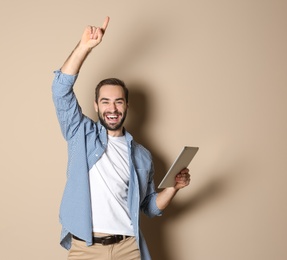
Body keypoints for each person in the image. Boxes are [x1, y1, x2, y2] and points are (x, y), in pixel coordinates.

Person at [51, 16, 191, 260]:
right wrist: (84, 47)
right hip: (86, 248)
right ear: (96, 106)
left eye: (118, 101)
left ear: (127, 105)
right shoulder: (80, 133)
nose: (112, 108)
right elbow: (60, 90)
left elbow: (149, 207)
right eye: (105, 101)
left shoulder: (141, 155)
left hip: (128, 248)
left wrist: (174, 188)